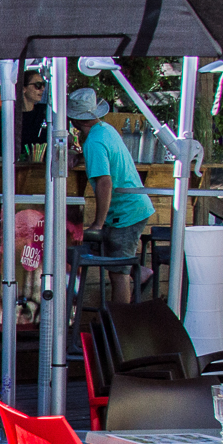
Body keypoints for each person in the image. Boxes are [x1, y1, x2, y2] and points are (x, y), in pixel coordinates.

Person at [69, 88, 153, 304]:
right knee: (114, 258)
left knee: (118, 273)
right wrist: (80, 156)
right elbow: (108, 157)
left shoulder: (94, 143)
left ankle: (120, 321)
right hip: (132, 206)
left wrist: (98, 222)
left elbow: (105, 183)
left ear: (76, 119)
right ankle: (140, 272)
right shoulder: (106, 130)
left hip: (125, 212)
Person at [15, 69, 48, 150]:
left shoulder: (45, 112)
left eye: (43, 85)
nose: (42, 89)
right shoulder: (10, 116)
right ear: (23, 88)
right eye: (38, 85)